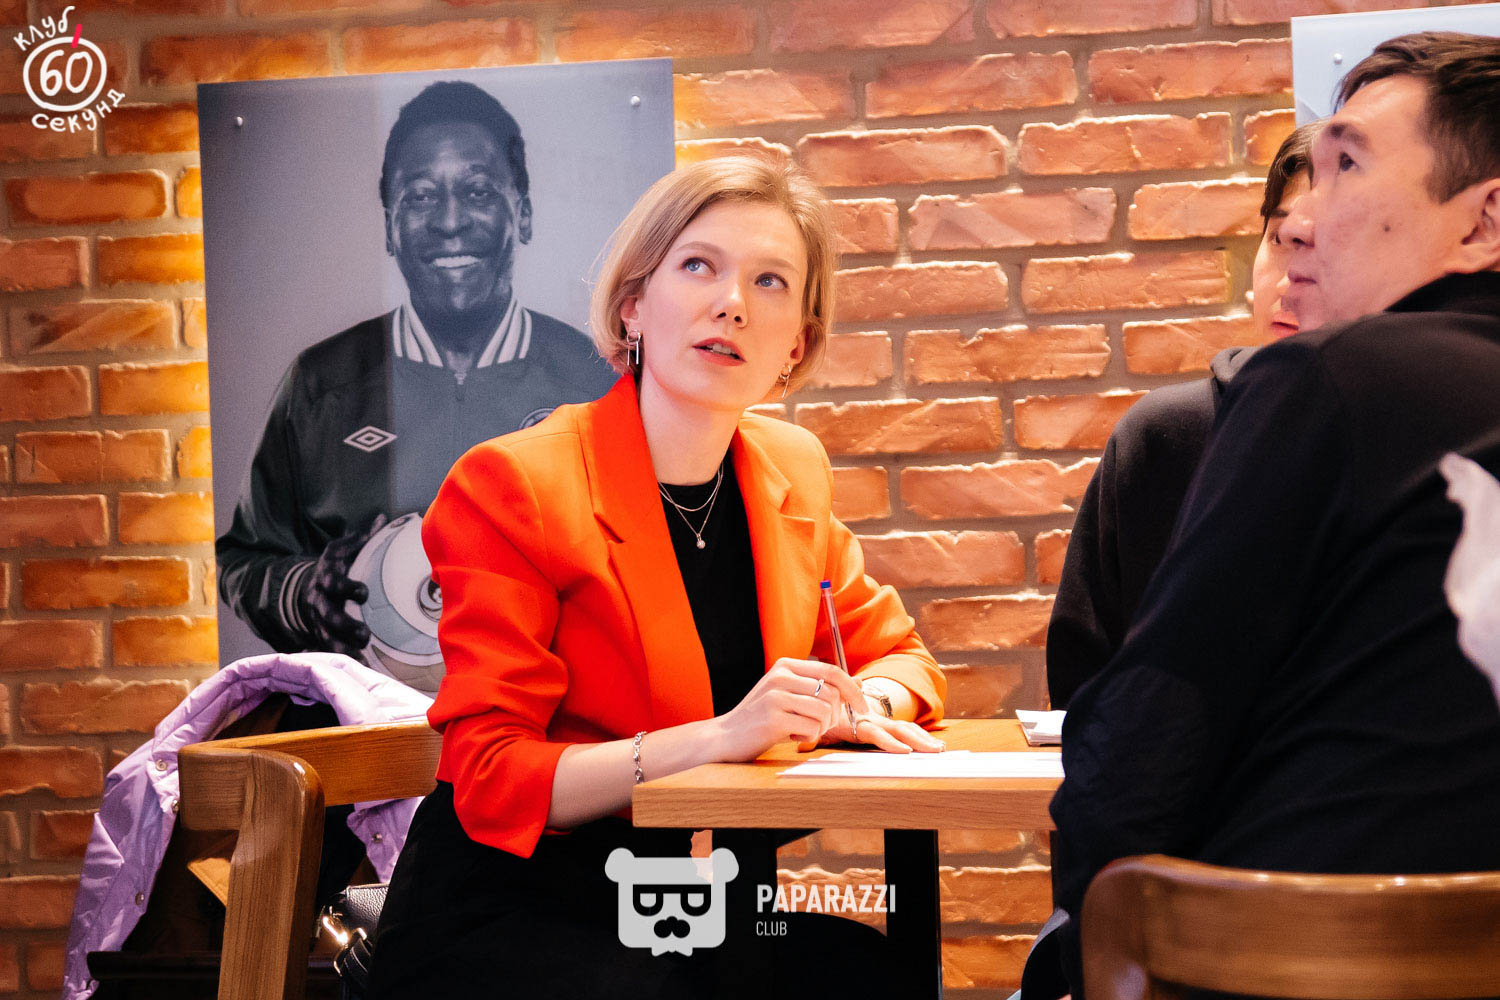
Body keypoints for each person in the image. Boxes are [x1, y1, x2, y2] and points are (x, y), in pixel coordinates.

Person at [367, 153, 947, 999]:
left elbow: (904, 662)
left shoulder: (793, 469)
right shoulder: (514, 484)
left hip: (699, 906)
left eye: (771, 281)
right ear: (633, 305)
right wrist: (720, 737)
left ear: (796, 344)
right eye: (699, 266)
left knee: (882, 978)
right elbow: (492, 776)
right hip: (519, 909)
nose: (733, 302)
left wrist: (856, 709)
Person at [1044, 32, 1500, 999]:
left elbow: (1137, 763)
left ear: (1484, 222)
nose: (1299, 217)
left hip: (1296, 969)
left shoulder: (1329, 379)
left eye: (1346, 165)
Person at [216, 80, 616, 669]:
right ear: (389, 225)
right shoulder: (321, 384)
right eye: (422, 196)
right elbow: (244, 561)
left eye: (478, 191)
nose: (450, 221)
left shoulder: (594, 382)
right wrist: (305, 592)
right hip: (365, 716)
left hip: (549, 715)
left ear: (523, 214)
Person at [1045, 123, 1318, 710]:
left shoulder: (1416, 436)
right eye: (1279, 238)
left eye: (1321, 245)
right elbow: (1082, 682)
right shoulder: (1164, 436)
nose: (1288, 278)